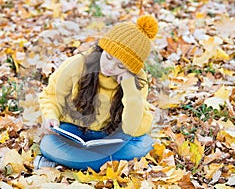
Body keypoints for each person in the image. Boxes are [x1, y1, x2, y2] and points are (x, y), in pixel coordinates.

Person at [34, 15, 158, 172]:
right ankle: (107, 164)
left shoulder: (136, 81)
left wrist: (129, 87)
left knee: (144, 144)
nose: (110, 67)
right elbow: (51, 95)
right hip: (74, 130)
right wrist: (51, 115)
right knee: (48, 144)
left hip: (111, 137)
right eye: (108, 57)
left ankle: (68, 162)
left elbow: (131, 128)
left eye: (120, 65)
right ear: (103, 48)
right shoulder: (78, 64)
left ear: (131, 69)